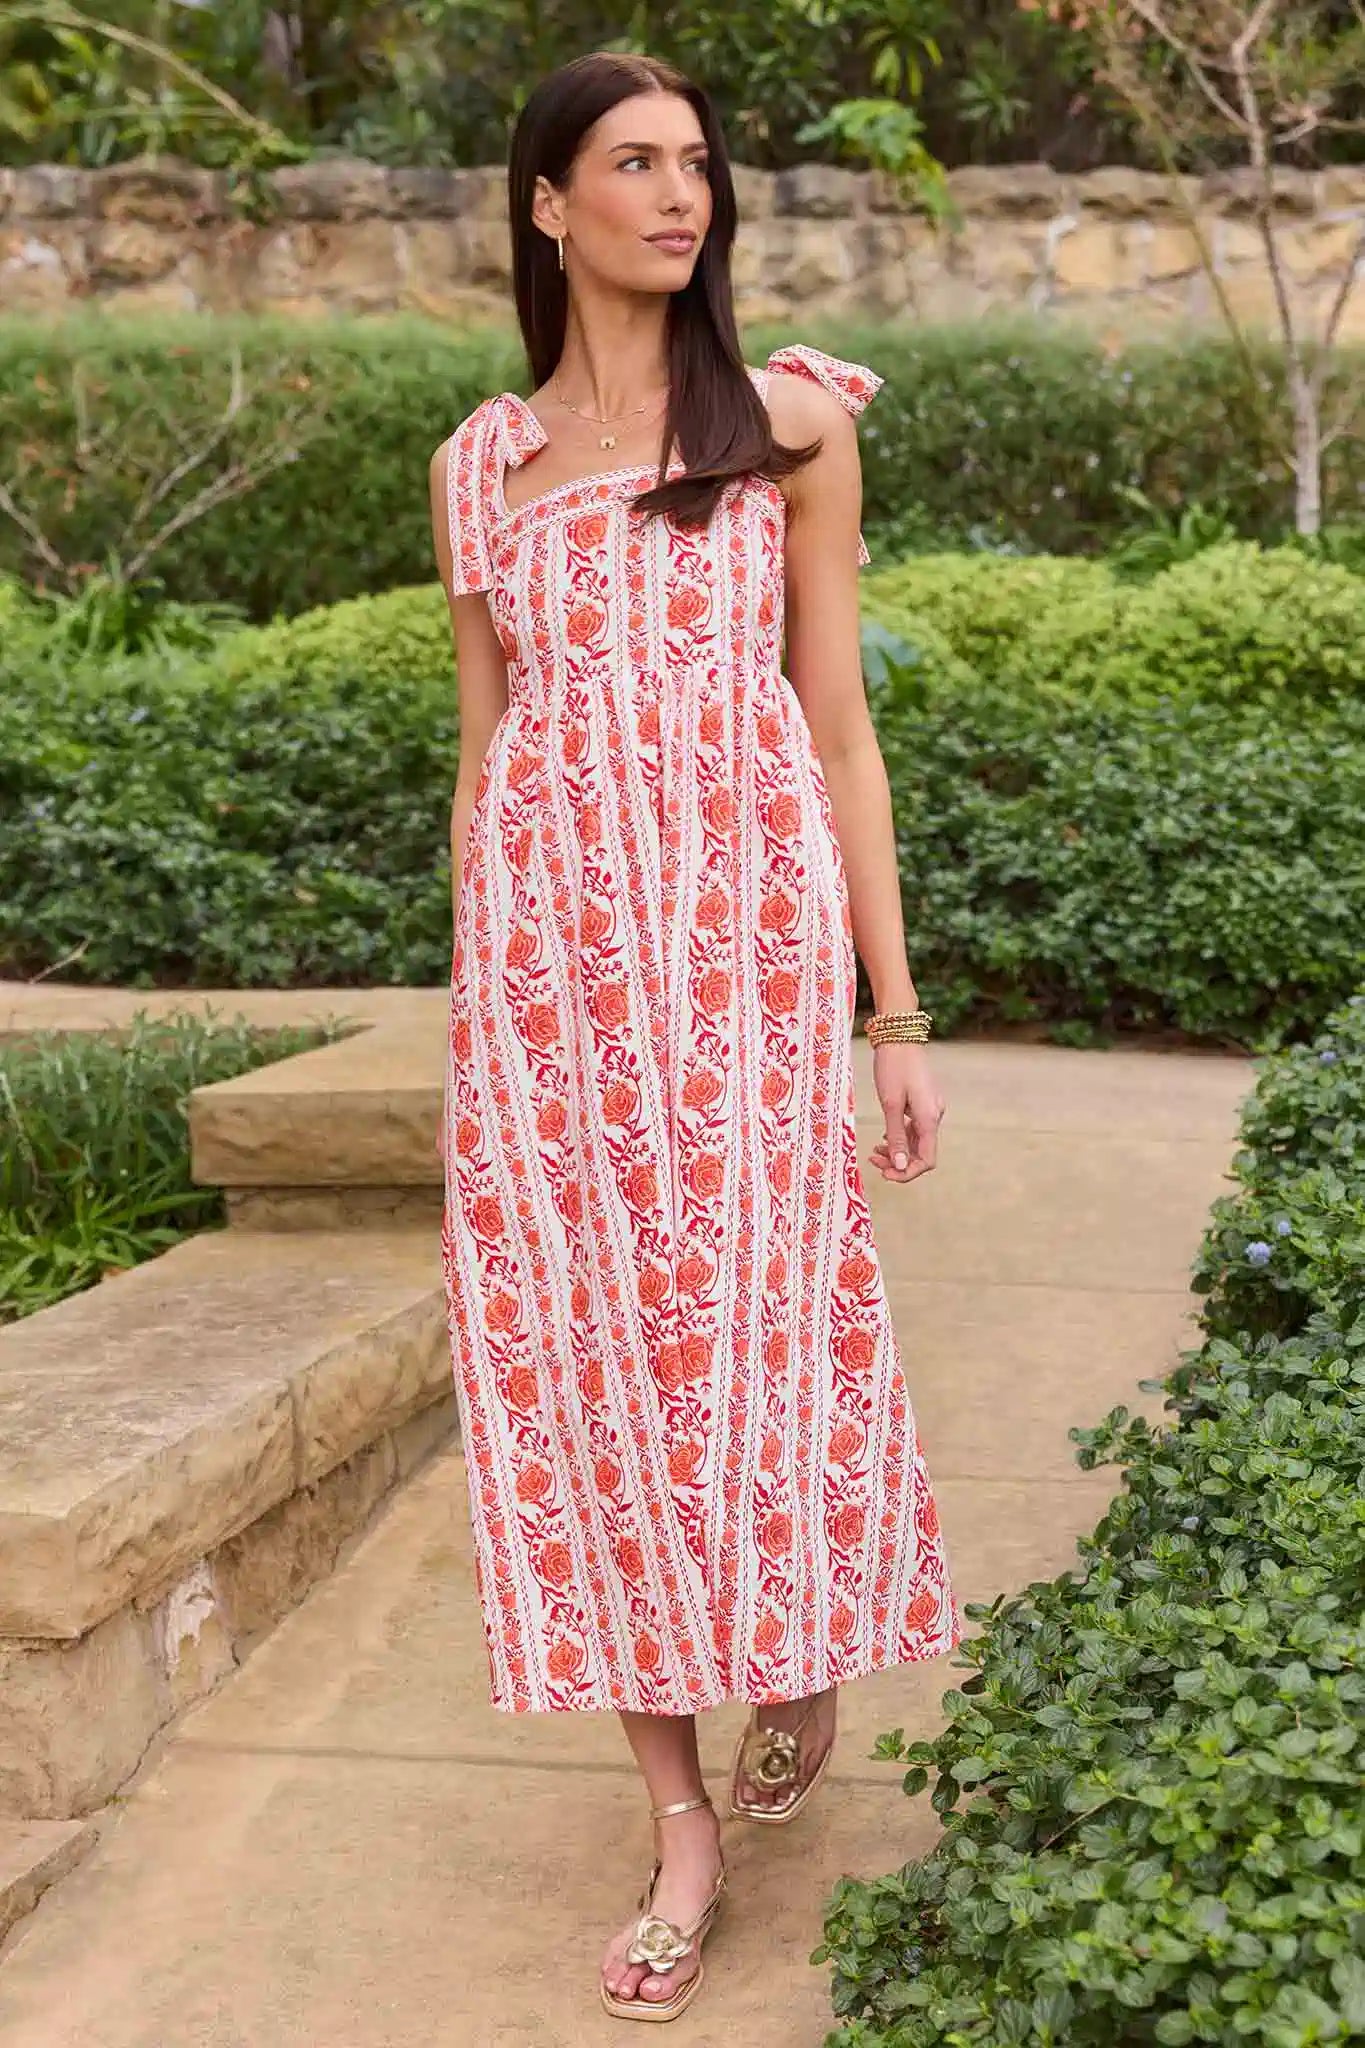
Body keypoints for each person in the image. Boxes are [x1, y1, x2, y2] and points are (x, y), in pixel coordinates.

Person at [428, 47, 959, 2024]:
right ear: (547, 205)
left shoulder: (788, 426)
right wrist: (475, 1011)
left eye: (697, 164)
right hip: (551, 1001)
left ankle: (799, 1637)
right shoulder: (477, 468)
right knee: (585, 1393)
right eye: (632, 164)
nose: (681, 194)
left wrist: (885, 1011)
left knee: (757, 1335)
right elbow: (487, 764)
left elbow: (836, 726)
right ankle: (676, 1831)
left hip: (738, 978)